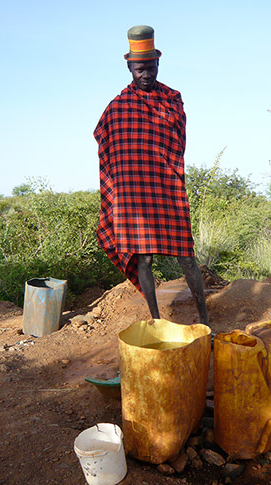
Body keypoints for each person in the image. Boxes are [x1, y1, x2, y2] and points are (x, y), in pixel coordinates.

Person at [94, 25, 209, 326]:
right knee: (144, 258)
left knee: (186, 254)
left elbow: (178, 142)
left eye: (151, 68)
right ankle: (156, 320)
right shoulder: (118, 107)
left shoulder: (172, 99)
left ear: (159, 64)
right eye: (139, 69)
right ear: (130, 68)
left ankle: (205, 319)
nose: (146, 74)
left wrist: (162, 164)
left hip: (166, 188)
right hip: (133, 195)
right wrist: (122, 178)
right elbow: (104, 138)